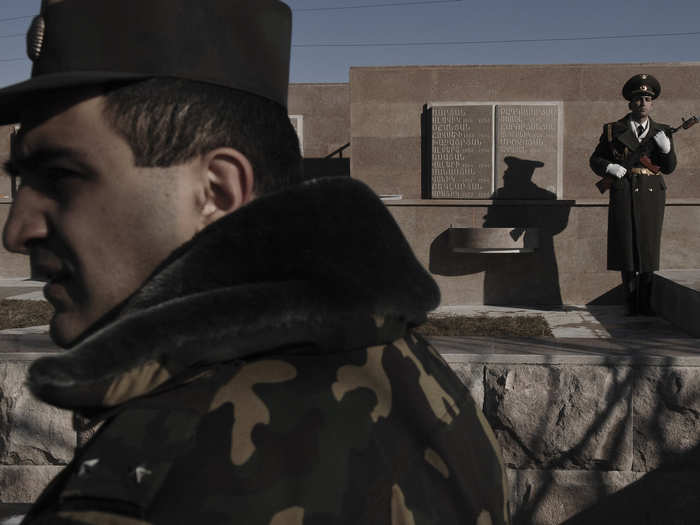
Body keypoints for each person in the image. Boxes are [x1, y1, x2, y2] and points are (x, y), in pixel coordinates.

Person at [0, 1, 509, 523]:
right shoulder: (411, 369)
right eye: (22, 181)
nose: (16, 231)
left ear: (216, 193)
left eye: (61, 175)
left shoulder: (162, 473)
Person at [589, 73, 677, 315]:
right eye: (638, 99)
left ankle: (645, 303)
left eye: (648, 99)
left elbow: (668, 168)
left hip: (651, 194)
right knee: (626, 247)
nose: (643, 103)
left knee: (648, 248)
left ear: (653, 103)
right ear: (630, 103)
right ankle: (630, 302)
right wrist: (608, 167)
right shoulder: (612, 130)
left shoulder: (663, 131)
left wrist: (666, 149)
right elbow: (595, 159)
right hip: (624, 188)